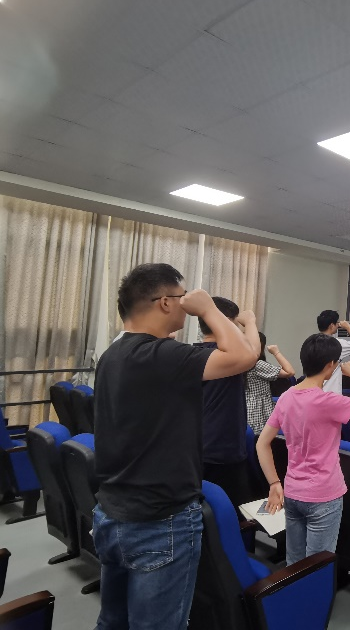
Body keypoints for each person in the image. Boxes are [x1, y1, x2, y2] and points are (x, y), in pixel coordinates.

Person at [93, 264, 258, 630]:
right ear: (165, 302)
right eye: (182, 298)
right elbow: (244, 356)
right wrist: (209, 308)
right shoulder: (161, 355)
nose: (186, 305)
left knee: (113, 621)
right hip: (158, 519)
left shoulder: (112, 355)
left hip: (112, 511)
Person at [256, 335, 350, 565]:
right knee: (318, 565)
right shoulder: (329, 401)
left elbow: (262, 443)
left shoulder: (286, 397)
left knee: (295, 562)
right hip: (324, 495)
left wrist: (274, 483)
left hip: (292, 491)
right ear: (330, 365)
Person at [196, 297, 261, 510]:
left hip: (196, 448)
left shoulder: (193, 353)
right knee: (230, 514)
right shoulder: (228, 357)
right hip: (222, 450)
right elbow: (252, 352)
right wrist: (250, 322)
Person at [246, 331, 296, 434]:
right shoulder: (258, 365)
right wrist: (276, 352)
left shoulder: (240, 362)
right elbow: (290, 372)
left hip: (246, 407)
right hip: (258, 411)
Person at [317, 310, 350, 394]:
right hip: (331, 392)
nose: (337, 326)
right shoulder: (337, 344)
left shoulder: (312, 343)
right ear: (332, 325)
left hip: (315, 391)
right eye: (336, 323)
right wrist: (348, 327)